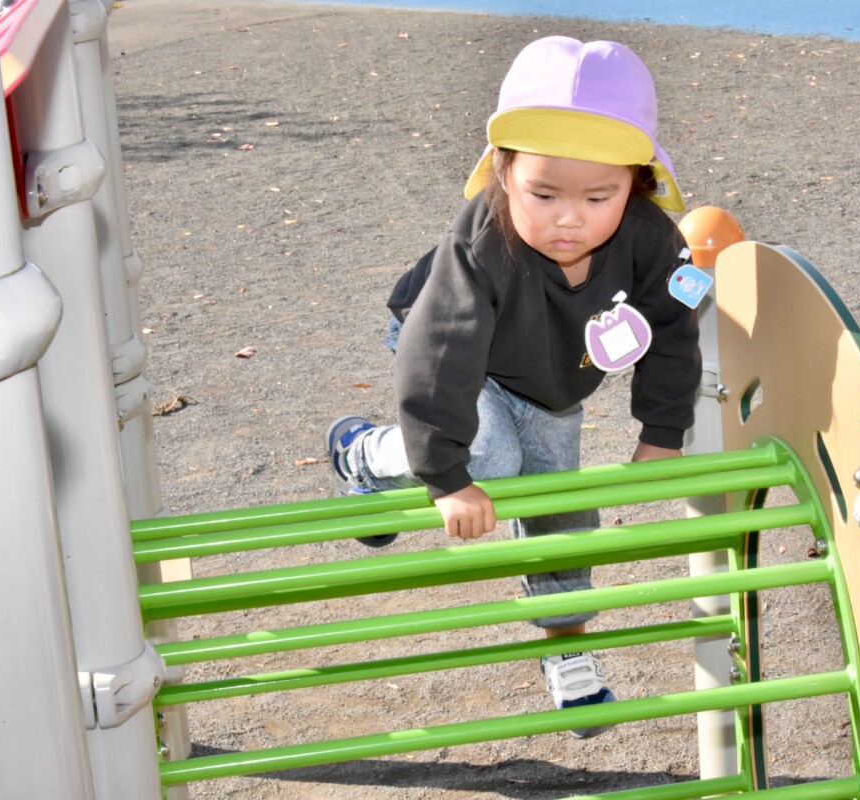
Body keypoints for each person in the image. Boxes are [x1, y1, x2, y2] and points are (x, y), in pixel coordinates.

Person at [326, 36, 701, 737]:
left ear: (637, 182)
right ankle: (367, 454)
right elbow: (440, 355)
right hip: (457, 351)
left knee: (565, 515)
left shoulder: (655, 242)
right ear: (503, 172)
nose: (569, 217)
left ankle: (567, 646)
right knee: (488, 457)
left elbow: (674, 330)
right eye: (543, 193)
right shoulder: (482, 240)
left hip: (552, 380)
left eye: (599, 195)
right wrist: (445, 477)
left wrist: (662, 434)